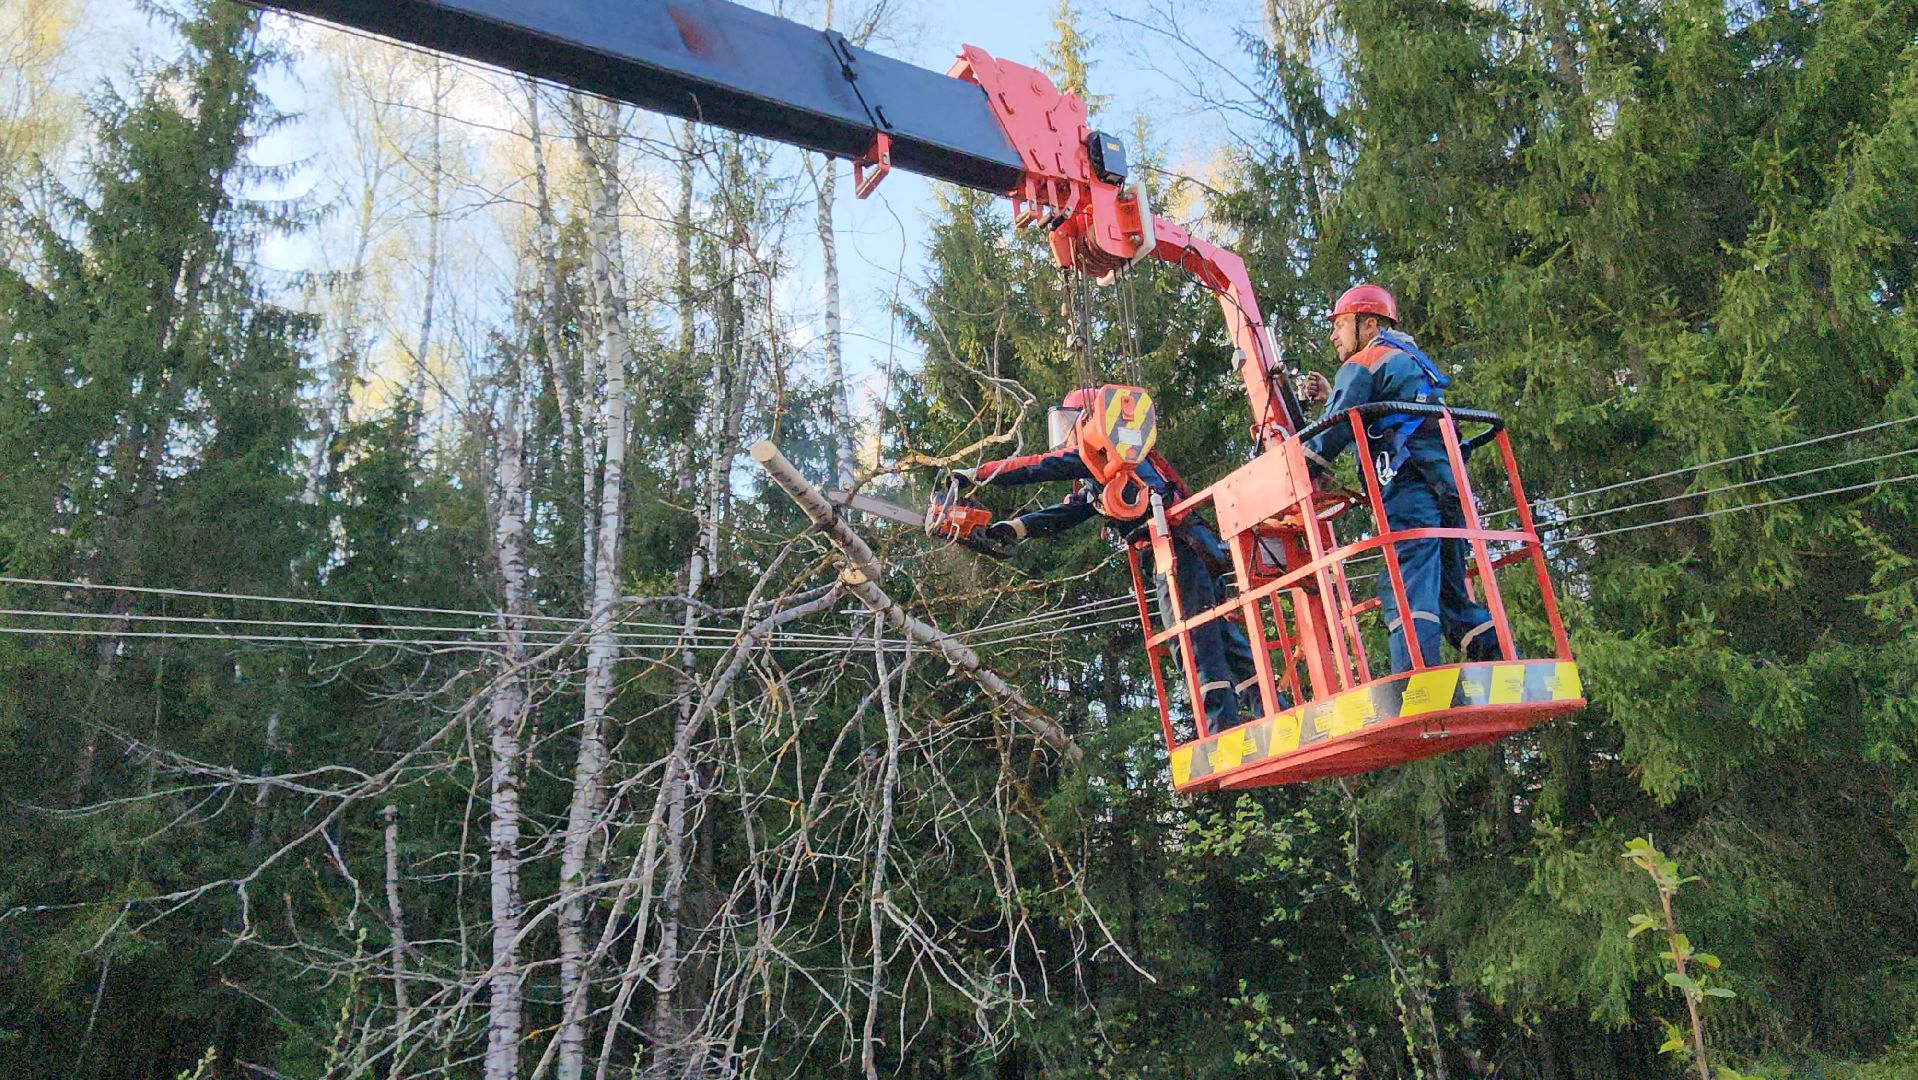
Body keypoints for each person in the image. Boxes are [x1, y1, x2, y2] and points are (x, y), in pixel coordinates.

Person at [949, 388, 1262, 731]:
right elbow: (1071, 510)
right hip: (1192, 548)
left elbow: (1038, 467)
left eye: (1068, 423)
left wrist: (977, 474)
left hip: (1177, 551)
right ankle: (1269, 708)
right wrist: (1014, 529)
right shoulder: (1112, 465)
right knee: (1223, 637)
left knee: (1191, 640)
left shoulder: (1111, 453)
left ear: (1090, 419)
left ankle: (1221, 730)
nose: (1066, 436)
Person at [1297, 284, 1501, 673]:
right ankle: (1497, 655)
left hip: (1408, 488)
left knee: (1405, 585)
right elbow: (1368, 409)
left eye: (1340, 325)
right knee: (1448, 592)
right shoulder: (1409, 360)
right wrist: (1331, 394)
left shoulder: (1366, 361)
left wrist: (1296, 470)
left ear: (1368, 324)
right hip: (1446, 487)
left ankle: (1416, 682)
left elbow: (1331, 431)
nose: (1333, 335)